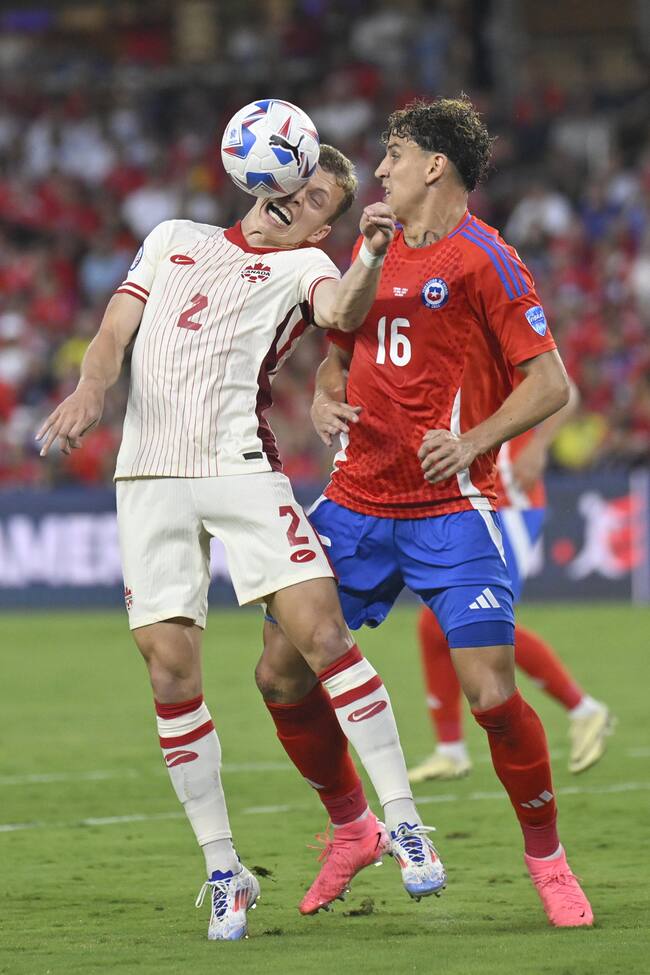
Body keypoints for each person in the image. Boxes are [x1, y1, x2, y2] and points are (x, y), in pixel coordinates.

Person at [36, 144, 444, 941]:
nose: (304, 200)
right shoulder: (172, 236)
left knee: (322, 634)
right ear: (267, 179)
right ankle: (225, 870)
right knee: (168, 669)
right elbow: (115, 328)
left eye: (323, 200)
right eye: (301, 183)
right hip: (148, 477)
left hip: (240, 466)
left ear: (326, 222)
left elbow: (341, 313)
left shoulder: (305, 269)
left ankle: (402, 820)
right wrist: (92, 383)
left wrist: (369, 249)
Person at [255, 97, 595, 928]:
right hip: (355, 503)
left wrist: (475, 437)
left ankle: (548, 861)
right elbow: (340, 354)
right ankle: (351, 828)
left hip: (450, 508)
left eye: (395, 154)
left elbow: (551, 384)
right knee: (278, 672)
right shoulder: (369, 253)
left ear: (435, 165)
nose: (380, 169)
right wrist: (327, 400)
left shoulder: (489, 260)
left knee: (488, 692)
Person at [409, 395, 614, 783]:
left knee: (481, 620)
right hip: (474, 497)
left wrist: (537, 447)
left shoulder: (497, 335)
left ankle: (585, 710)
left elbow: (564, 390)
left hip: (511, 498)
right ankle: (450, 749)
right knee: (435, 623)